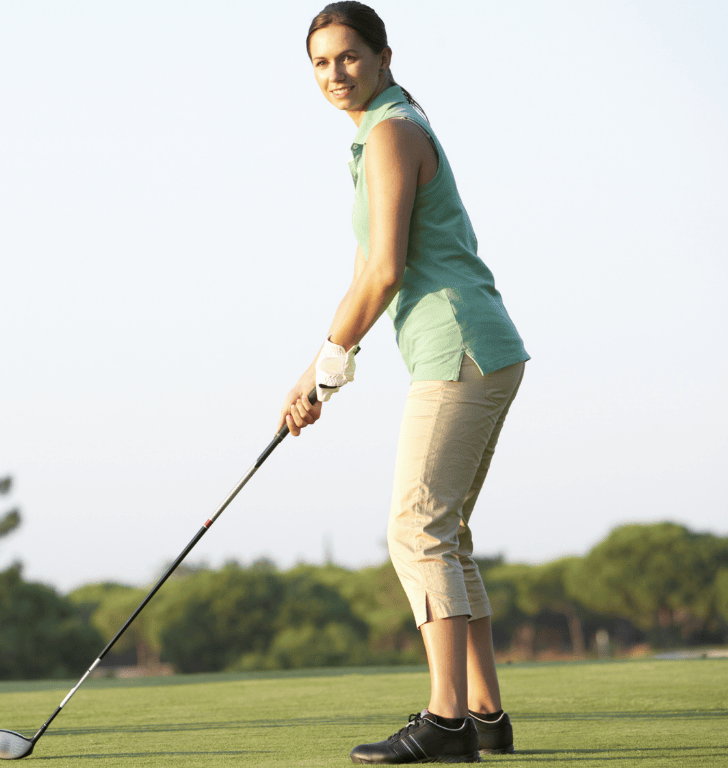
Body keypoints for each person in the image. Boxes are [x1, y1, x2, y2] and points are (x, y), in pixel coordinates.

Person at [278, 4, 529, 764]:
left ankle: (446, 721)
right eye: (321, 63)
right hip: (473, 345)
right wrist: (319, 371)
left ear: (384, 57)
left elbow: (386, 269)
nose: (335, 74)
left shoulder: (391, 132)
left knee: (417, 529)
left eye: (349, 56)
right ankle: (484, 713)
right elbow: (366, 270)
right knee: (446, 534)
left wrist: (332, 362)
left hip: (458, 345)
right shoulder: (379, 134)